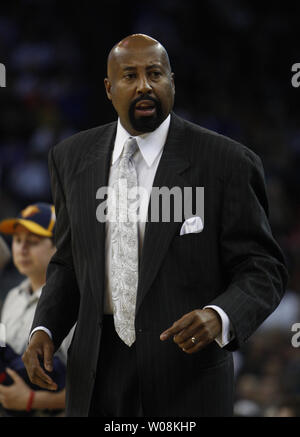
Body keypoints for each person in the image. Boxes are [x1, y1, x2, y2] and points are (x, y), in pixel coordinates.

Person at [22, 34, 288, 417]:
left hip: (186, 373)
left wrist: (219, 315)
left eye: (155, 74)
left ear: (172, 82)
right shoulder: (69, 158)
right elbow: (67, 262)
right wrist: (44, 330)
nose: (144, 85)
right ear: (109, 88)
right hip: (95, 372)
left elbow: (263, 268)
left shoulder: (226, 162)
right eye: (130, 75)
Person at [0, 203, 70, 416]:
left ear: (59, 246)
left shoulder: (72, 301)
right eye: (18, 241)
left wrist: (31, 399)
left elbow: (94, 384)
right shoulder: (13, 296)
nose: (21, 249)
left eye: (33, 242)